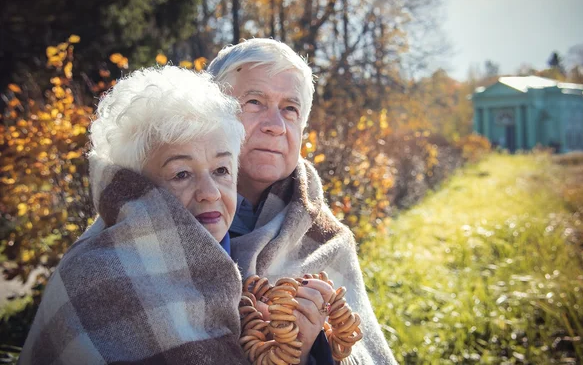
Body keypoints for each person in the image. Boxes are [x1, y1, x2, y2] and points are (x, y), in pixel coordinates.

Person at [19, 67, 250, 364]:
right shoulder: (92, 277)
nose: (211, 193)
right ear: (136, 186)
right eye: (181, 174)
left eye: (221, 170)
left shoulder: (254, 265)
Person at [207, 38, 398, 364]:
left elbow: (360, 354)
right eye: (254, 102)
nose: (276, 126)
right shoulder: (159, 217)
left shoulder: (326, 240)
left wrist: (309, 350)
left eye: (290, 109)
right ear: (211, 115)